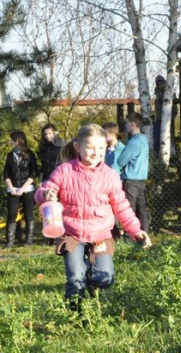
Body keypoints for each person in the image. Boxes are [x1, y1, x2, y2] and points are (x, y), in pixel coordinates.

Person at [34, 124, 151, 311]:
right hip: (71, 232)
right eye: (90, 148)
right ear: (78, 147)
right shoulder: (64, 171)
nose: (96, 153)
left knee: (104, 278)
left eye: (101, 148)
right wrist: (46, 195)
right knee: (75, 277)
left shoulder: (110, 176)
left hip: (101, 233)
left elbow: (123, 207)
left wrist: (136, 231)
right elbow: (43, 191)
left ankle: (92, 281)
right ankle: (75, 316)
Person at [115, 112, 150, 233]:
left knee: (129, 208)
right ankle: (144, 232)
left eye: (127, 123)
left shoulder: (134, 142)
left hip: (131, 179)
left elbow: (121, 161)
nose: (125, 126)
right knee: (141, 208)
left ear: (133, 124)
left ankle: (129, 236)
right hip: (141, 179)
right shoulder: (144, 140)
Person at [5, 131, 38, 247]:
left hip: (27, 188)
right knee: (12, 214)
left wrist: (23, 188)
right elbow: (6, 174)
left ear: (19, 140)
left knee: (29, 214)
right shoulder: (10, 155)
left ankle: (29, 240)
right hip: (13, 188)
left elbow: (33, 173)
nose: (10, 142)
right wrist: (11, 187)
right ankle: (10, 241)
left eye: (12, 140)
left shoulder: (30, 155)